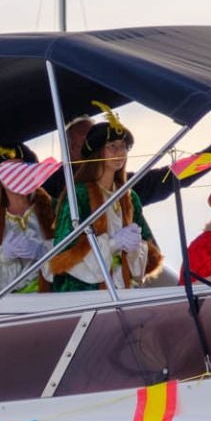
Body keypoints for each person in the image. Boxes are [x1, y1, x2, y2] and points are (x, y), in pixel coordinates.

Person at [45, 116, 164, 293]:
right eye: (112, 147)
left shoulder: (130, 198)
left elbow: (151, 254)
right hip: (83, 294)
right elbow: (64, 253)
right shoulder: (79, 195)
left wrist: (136, 247)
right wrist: (113, 243)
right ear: (98, 151)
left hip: (120, 290)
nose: (120, 152)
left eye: (123, 147)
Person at [49, 116, 211, 210]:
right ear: (70, 149)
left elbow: (170, 177)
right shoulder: (50, 184)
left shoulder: (124, 188)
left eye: (122, 147)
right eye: (86, 143)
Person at [0, 154, 57, 295]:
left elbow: (76, 251)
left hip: (55, 299)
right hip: (10, 307)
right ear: (0, 178)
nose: (17, 176)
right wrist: (2, 257)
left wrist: (44, 250)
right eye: (10, 171)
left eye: (22, 169)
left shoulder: (56, 208)